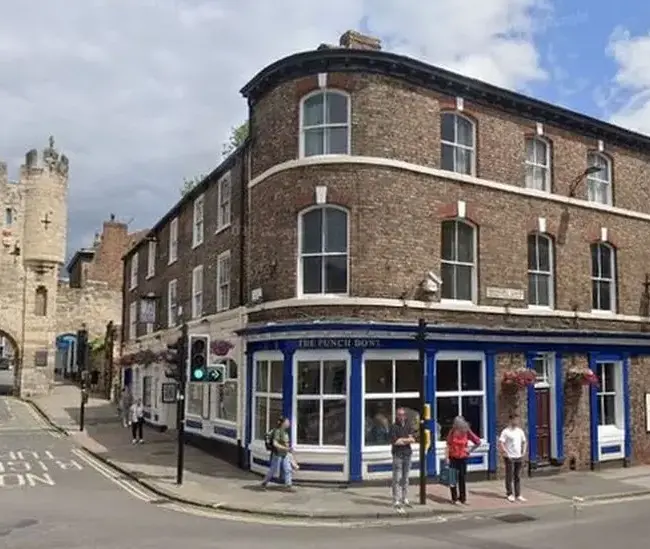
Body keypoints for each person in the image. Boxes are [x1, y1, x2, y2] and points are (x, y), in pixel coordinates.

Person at [446, 415, 481, 505]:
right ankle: (454, 499)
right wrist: (446, 458)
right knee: (453, 479)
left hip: (462, 458)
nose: (458, 426)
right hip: (452, 457)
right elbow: (448, 445)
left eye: (459, 424)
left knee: (462, 478)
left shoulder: (467, 431)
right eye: (456, 424)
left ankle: (463, 498)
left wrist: (469, 450)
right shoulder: (452, 432)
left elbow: (478, 442)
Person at [390, 407, 416, 511]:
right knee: (397, 478)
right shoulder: (393, 427)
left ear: (405, 416)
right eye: (398, 415)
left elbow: (413, 440)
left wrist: (402, 439)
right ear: (396, 416)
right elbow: (395, 442)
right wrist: (406, 440)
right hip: (397, 455)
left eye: (402, 415)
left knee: (406, 478)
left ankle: (404, 498)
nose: (400, 417)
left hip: (407, 454)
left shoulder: (409, 426)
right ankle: (396, 499)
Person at [499, 414, 527, 502]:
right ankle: (509, 493)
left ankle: (518, 494)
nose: (517, 422)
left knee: (517, 476)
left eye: (517, 420)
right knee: (509, 475)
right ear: (511, 420)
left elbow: (524, 441)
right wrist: (505, 452)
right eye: (515, 420)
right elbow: (501, 442)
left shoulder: (520, 431)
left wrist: (524, 451)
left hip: (518, 456)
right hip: (510, 456)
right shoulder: (506, 431)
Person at [261, 417, 295, 491]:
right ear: (283, 423)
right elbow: (275, 444)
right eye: (287, 422)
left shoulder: (285, 433)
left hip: (285, 454)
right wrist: (286, 448)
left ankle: (288, 486)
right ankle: (264, 482)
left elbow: (286, 444)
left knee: (288, 469)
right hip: (277, 454)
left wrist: (289, 452)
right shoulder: (277, 432)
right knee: (273, 470)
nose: (289, 423)